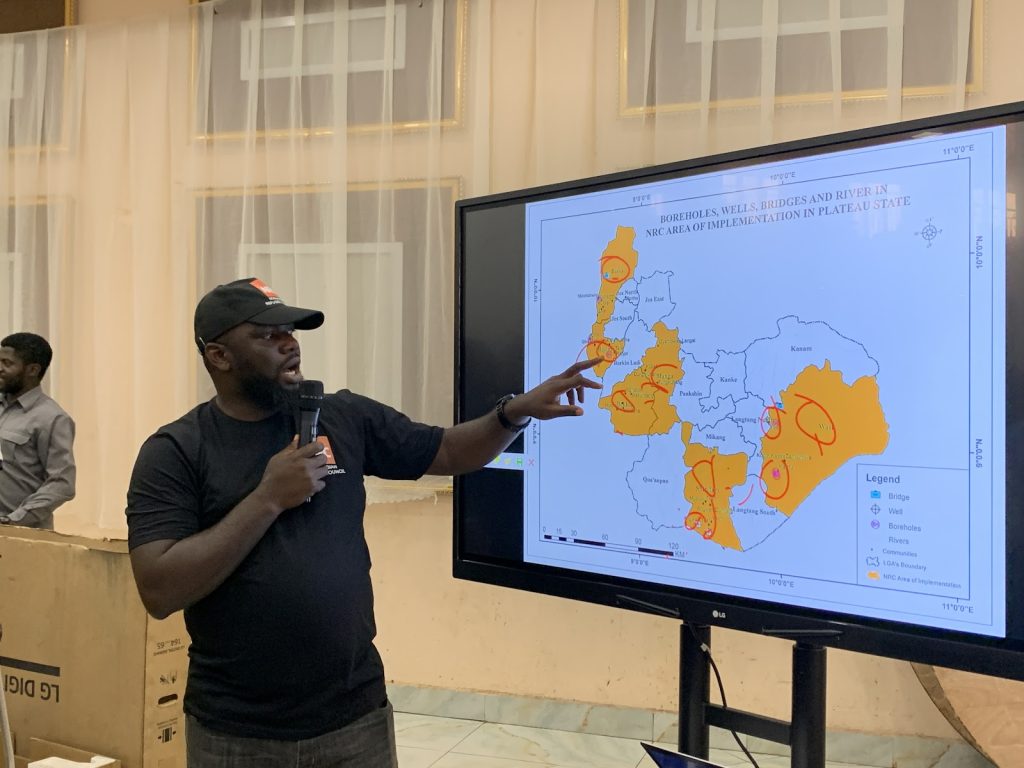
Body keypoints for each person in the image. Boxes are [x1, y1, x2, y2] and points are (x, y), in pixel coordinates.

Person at [125, 277, 600, 768]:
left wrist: (513, 414)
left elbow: (449, 449)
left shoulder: (342, 416)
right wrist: (267, 498)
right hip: (236, 729)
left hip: (354, 718)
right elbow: (159, 589)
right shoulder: (176, 452)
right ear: (220, 357)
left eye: (290, 330)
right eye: (267, 335)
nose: (289, 342)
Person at [0, 332, 76, 530]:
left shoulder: (52, 418)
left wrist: (13, 520)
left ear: (32, 370)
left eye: (7, 363)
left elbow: (61, 484)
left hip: (21, 537)